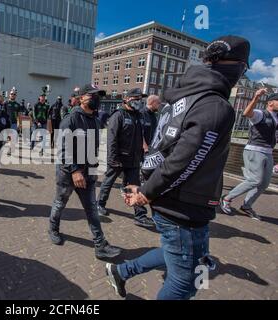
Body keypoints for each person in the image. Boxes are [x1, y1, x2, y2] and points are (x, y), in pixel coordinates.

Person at [105, 35, 251, 299]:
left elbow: (165, 148)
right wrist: (145, 193)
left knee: (186, 257)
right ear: (238, 67)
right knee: (185, 282)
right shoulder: (216, 107)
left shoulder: (185, 96)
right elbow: (183, 161)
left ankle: (122, 271)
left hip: (184, 200)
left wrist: (146, 186)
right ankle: (124, 271)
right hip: (182, 203)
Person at [49, 84, 122, 259]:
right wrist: (74, 171)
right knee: (60, 203)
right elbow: (63, 149)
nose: (96, 99)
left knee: (91, 209)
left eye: (98, 96)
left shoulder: (96, 121)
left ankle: (100, 245)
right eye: (92, 95)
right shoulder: (71, 119)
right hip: (68, 173)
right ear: (81, 98)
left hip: (87, 172)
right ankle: (53, 229)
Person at [97, 88, 154, 228]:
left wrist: (144, 151)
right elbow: (112, 139)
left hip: (134, 160)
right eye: (136, 99)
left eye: (141, 99)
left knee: (135, 187)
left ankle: (140, 215)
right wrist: (112, 159)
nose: (139, 102)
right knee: (108, 182)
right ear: (127, 99)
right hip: (118, 159)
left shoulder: (138, 116)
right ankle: (99, 204)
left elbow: (141, 136)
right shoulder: (118, 115)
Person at [220, 91, 278, 220]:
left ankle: (247, 206)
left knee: (264, 184)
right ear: (270, 102)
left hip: (268, 152)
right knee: (255, 180)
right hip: (255, 150)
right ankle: (227, 198)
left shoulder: (276, 118)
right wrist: (256, 97)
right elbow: (246, 113)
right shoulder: (260, 114)